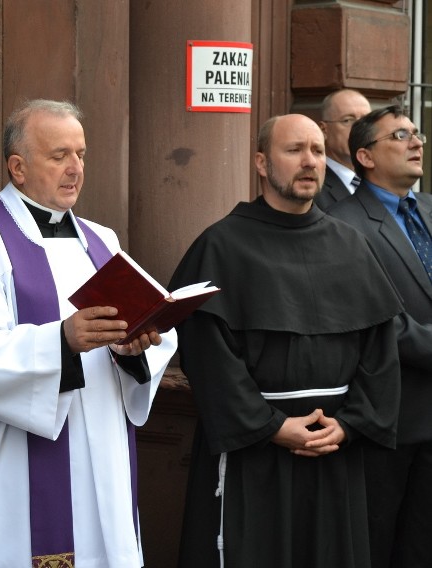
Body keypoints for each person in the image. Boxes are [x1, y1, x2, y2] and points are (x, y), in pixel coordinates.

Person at [0, 99, 177, 567]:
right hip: (17, 465)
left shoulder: (102, 241)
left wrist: (133, 347)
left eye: (81, 154)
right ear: (18, 168)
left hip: (103, 448)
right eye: (59, 155)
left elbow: (149, 329)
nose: (75, 168)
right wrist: (60, 341)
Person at [170, 114, 402, 568]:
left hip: (334, 448)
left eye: (317, 150)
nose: (310, 161)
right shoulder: (221, 245)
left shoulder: (351, 245)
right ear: (261, 161)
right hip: (255, 454)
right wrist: (272, 427)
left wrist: (351, 424)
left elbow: (380, 350)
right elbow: (207, 355)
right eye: (294, 150)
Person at [327, 105, 432, 568]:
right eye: (401, 135)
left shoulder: (429, 208)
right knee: (382, 548)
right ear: (366, 157)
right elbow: (372, 318)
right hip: (391, 420)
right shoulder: (343, 225)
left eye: (417, 134)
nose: (417, 143)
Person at [314, 88, 372, 210]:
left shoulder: (380, 182)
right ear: (324, 130)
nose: (359, 128)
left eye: (366, 121)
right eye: (347, 120)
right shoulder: (313, 187)